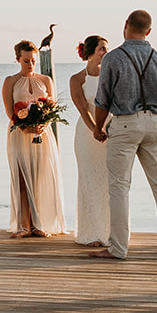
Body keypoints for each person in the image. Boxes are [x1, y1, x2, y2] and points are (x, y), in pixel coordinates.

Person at [87, 10, 157, 260]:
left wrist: (98, 127)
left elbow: (103, 98)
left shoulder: (113, 58)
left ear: (126, 25)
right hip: (155, 123)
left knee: (119, 187)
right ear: (148, 31)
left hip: (125, 125)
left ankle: (119, 248)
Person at [2, 41, 67, 237]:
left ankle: (38, 224)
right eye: (25, 61)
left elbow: (52, 109)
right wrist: (24, 127)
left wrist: (43, 125)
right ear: (18, 59)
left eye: (32, 60)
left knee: (40, 176)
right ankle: (23, 225)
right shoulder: (10, 81)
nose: (30, 64)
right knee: (22, 177)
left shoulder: (46, 80)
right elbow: (8, 110)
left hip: (42, 134)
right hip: (19, 133)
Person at [68, 35, 111, 247]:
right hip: (87, 132)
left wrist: (106, 129)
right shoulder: (77, 79)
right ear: (91, 52)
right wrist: (95, 128)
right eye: (102, 49)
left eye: (106, 49)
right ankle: (91, 233)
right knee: (89, 179)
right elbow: (82, 107)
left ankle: (111, 232)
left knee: (109, 181)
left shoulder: (111, 75)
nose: (105, 52)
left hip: (110, 130)